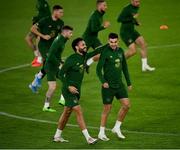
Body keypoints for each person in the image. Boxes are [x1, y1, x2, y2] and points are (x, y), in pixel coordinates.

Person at [53, 38, 103, 144]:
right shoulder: (71, 59)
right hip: (68, 90)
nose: (85, 46)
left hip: (77, 90)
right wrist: (68, 87)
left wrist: (109, 44)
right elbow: (60, 74)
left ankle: (57, 136)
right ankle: (88, 138)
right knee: (78, 110)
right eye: (82, 45)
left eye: (85, 44)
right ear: (76, 47)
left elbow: (96, 52)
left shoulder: (84, 56)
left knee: (67, 112)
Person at [96, 33, 132, 141]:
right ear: (108, 41)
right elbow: (98, 70)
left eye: (115, 42)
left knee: (126, 105)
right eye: (111, 42)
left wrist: (129, 83)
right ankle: (101, 133)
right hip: (108, 86)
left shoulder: (120, 51)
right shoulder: (105, 52)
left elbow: (125, 67)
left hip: (119, 84)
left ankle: (116, 127)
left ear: (118, 41)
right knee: (107, 109)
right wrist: (103, 81)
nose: (113, 44)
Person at [29, 5, 64, 94]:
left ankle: (35, 81)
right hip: (43, 46)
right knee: (50, 61)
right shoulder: (45, 20)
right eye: (60, 12)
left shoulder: (61, 23)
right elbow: (32, 28)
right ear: (55, 12)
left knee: (47, 64)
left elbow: (61, 35)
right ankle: (39, 78)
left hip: (53, 47)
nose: (62, 14)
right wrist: (43, 36)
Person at [117, 0, 155, 71]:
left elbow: (133, 18)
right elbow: (119, 19)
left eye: (139, 1)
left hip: (132, 31)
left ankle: (145, 66)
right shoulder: (126, 9)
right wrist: (132, 18)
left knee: (143, 44)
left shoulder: (136, 7)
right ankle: (117, 62)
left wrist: (136, 22)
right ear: (131, 1)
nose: (138, 3)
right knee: (133, 51)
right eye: (136, 2)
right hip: (125, 32)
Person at [42, 26, 73, 112]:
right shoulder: (59, 41)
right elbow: (50, 55)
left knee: (67, 78)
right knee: (52, 87)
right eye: (70, 33)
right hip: (50, 66)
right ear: (65, 32)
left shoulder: (63, 39)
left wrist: (61, 61)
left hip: (55, 64)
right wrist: (59, 64)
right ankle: (46, 106)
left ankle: (62, 99)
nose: (71, 35)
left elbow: (56, 54)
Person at [82, 0, 110, 72]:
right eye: (104, 5)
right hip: (87, 39)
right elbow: (93, 29)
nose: (106, 7)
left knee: (102, 52)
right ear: (99, 6)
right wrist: (104, 26)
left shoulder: (100, 14)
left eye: (106, 5)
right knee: (79, 58)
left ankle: (88, 63)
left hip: (94, 38)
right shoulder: (95, 15)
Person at [25, 0, 51, 67]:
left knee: (38, 39)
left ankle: (39, 60)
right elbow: (40, 14)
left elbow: (47, 15)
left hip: (43, 25)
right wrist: (35, 19)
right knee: (28, 38)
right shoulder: (38, 2)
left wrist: (36, 18)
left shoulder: (44, 3)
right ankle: (37, 56)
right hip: (38, 24)